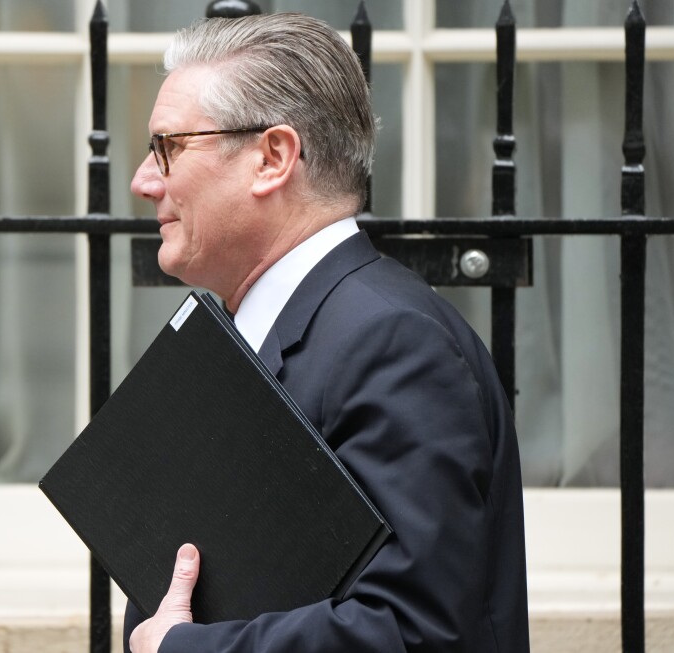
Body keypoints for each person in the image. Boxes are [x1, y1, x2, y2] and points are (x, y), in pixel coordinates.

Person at [125, 12, 529, 653]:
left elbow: (413, 631)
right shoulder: (258, 336)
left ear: (272, 158)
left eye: (168, 147)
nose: (144, 181)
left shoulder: (394, 343)